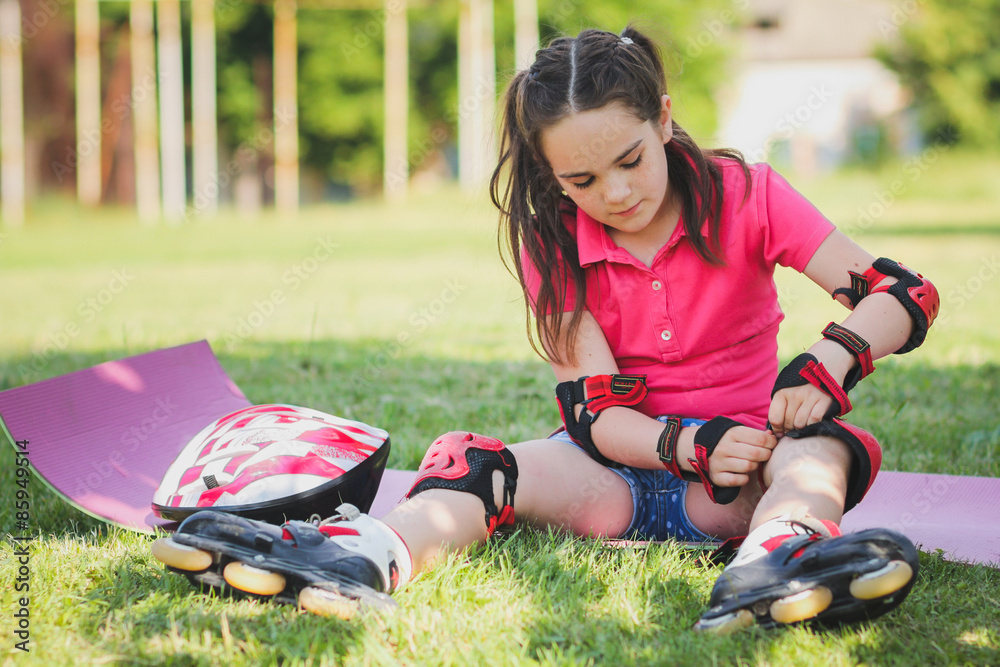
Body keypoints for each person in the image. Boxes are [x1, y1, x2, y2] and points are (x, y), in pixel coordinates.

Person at [156, 26, 938, 631]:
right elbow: (594, 415)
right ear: (550, 174)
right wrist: (689, 445)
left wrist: (829, 360)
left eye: (631, 159)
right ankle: (364, 557)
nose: (616, 193)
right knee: (481, 466)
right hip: (608, 479)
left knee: (819, 449)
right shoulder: (554, 238)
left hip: (740, 486)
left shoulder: (749, 195)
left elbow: (903, 293)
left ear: (665, 118)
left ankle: (774, 562)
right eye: (582, 179)